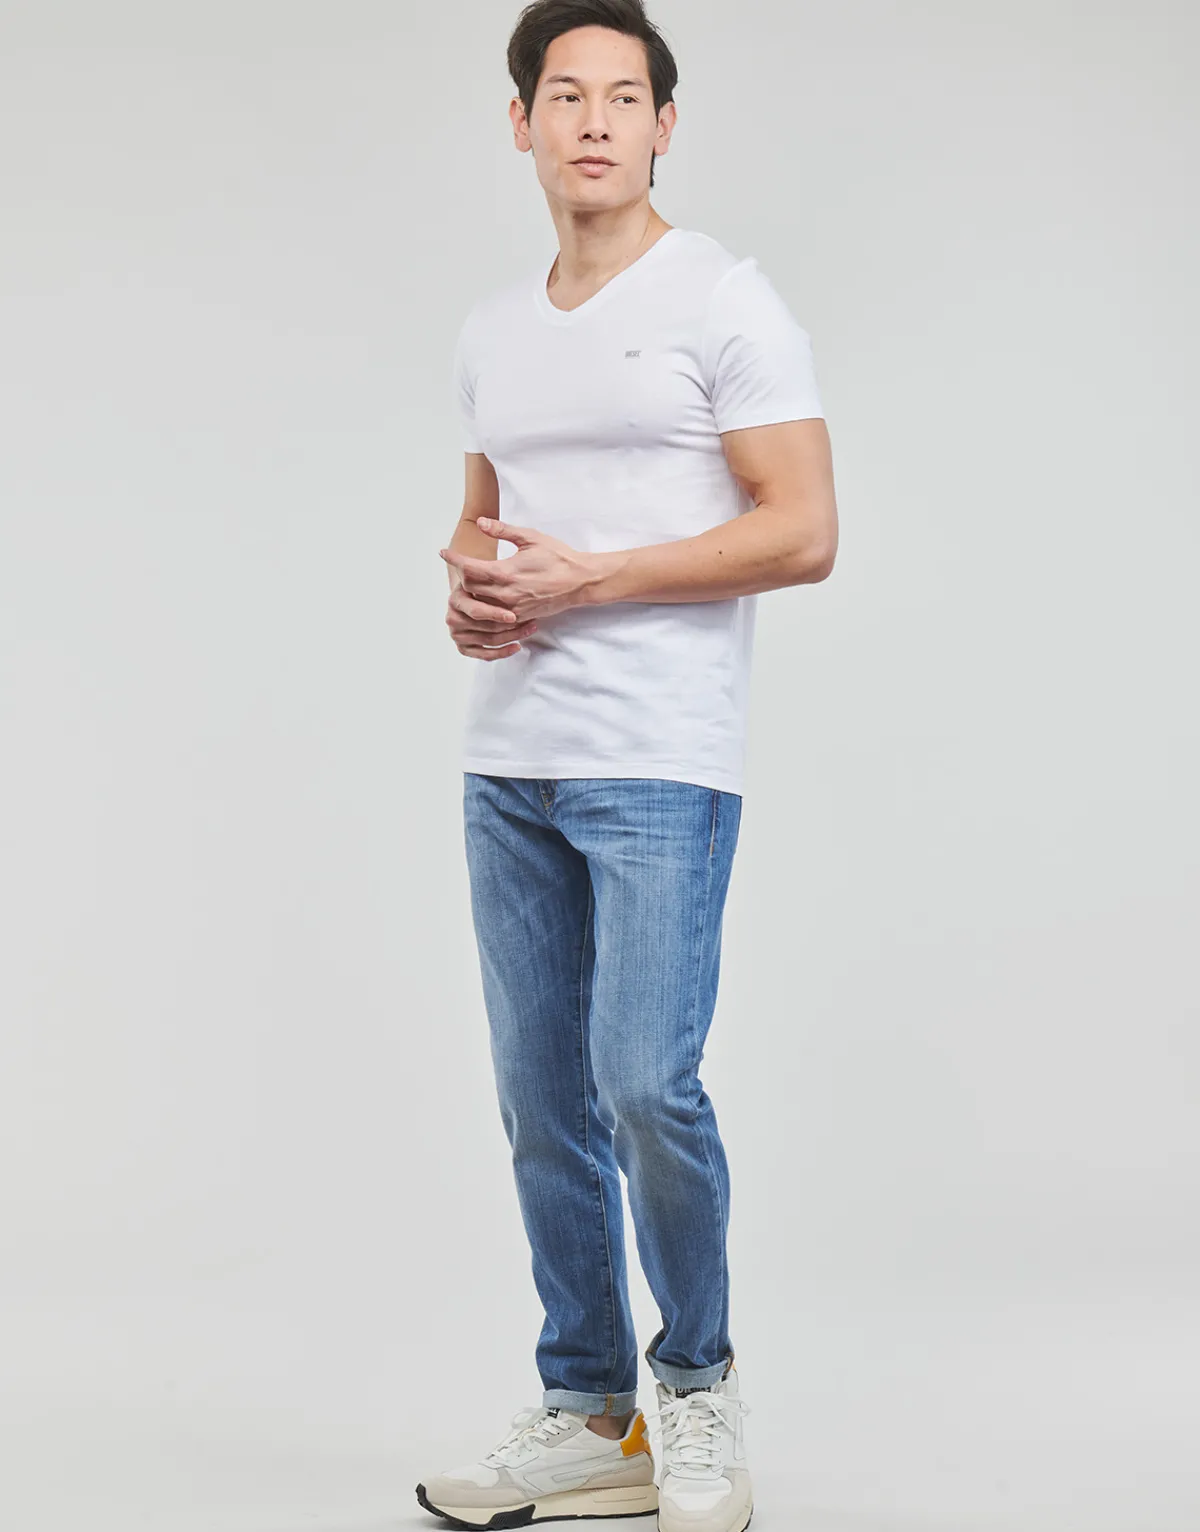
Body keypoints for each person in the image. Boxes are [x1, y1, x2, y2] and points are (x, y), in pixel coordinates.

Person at [417, 3, 837, 1528]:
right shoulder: (493, 328)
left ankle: (698, 1389)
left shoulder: (725, 299)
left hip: (660, 759)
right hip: (510, 764)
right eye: (564, 96)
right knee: (543, 1102)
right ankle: (591, 1412)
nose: (592, 121)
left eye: (622, 97)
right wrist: (468, 591)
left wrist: (589, 582)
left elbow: (805, 529)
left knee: (644, 1084)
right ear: (519, 122)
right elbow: (483, 519)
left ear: (664, 125)